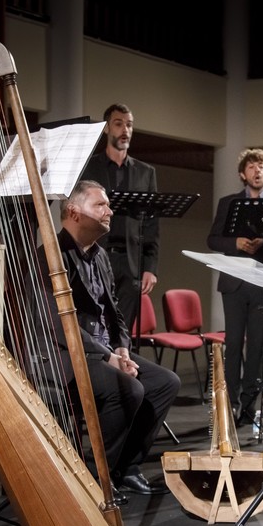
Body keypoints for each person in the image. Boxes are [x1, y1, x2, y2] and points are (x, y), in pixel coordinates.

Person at [42, 180, 180, 497]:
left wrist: (122, 348)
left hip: (105, 350)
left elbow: (114, 312)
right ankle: (92, 478)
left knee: (164, 382)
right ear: (74, 212)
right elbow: (58, 322)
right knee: (128, 388)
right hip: (66, 354)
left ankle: (125, 468)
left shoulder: (101, 256)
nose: (110, 211)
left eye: (108, 205)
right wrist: (108, 357)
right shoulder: (52, 254)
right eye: (100, 205)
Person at [206, 148, 263, 426]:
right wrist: (237, 243)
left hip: (261, 284)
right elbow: (213, 240)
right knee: (233, 344)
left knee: (257, 345)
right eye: (252, 167)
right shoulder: (228, 202)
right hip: (233, 282)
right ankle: (229, 404)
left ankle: (249, 405)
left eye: (262, 167)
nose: (257, 171)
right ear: (243, 174)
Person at [80, 103, 160, 332]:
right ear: (106, 128)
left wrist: (150, 267)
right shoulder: (88, 167)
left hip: (131, 262)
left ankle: (122, 368)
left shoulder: (146, 172)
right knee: (95, 324)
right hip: (95, 256)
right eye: (118, 124)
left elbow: (152, 223)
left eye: (129, 125)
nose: (125, 129)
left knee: (122, 330)